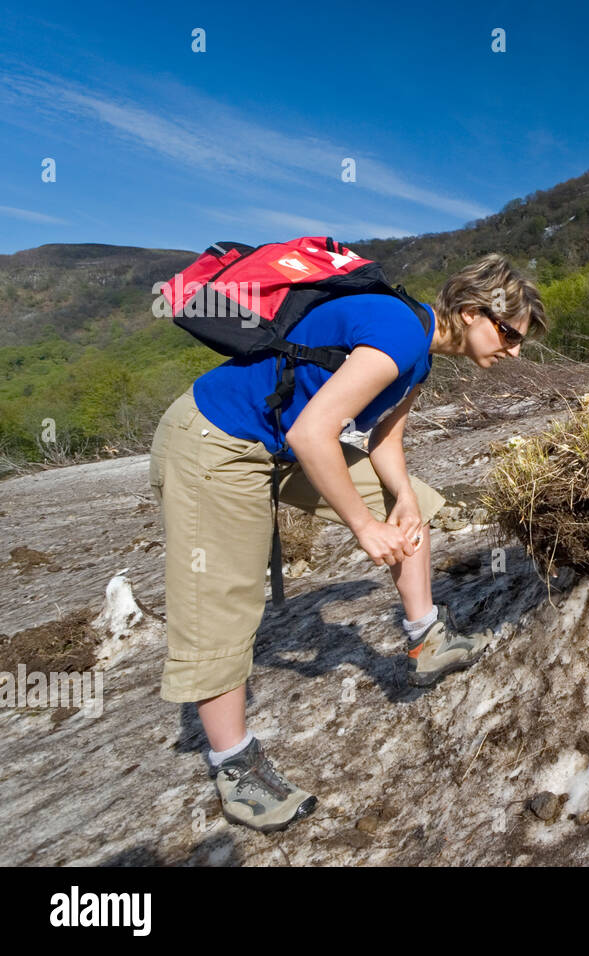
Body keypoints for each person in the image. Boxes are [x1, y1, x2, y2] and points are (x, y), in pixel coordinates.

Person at [147, 252, 547, 833]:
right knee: (222, 600)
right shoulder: (398, 333)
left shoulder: (418, 354)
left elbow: (384, 437)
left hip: (278, 441)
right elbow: (315, 433)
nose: (514, 349)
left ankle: (427, 639)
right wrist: (365, 527)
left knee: (417, 506)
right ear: (468, 312)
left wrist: (402, 498)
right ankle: (234, 764)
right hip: (215, 442)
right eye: (509, 333)